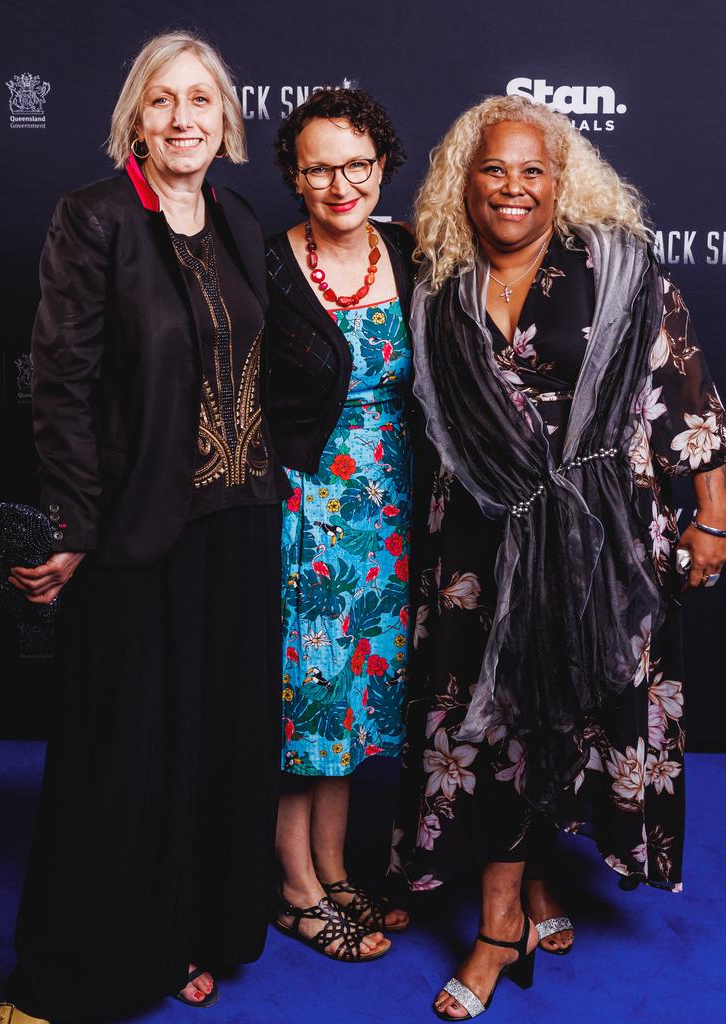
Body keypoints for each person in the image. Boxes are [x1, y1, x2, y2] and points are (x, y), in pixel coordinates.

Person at [388, 95, 726, 1020]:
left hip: (600, 542)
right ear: (467, 177)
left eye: (532, 170)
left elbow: (683, 392)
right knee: (489, 724)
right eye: (494, 169)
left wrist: (714, 519)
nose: (513, 187)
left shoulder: (615, 268)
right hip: (480, 547)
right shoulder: (439, 284)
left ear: (559, 179)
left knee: (573, 714)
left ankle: (508, 912)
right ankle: (513, 905)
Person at [0, 31, 290, 1024]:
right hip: (137, 527)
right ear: (135, 116)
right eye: (162, 101)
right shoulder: (93, 219)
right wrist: (73, 522)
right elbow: (61, 387)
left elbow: (275, 361)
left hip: (238, 523)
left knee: (215, 744)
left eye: (200, 100)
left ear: (225, 119)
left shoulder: (244, 221)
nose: (182, 119)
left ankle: (186, 937)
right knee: (121, 756)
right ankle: (65, 976)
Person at [265, 87, 415, 961]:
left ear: (383, 165)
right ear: (294, 174)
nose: (339, 183)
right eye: (318, 167)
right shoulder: (268, 263)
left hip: (390, 514)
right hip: (306, 512)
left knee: (355, 703)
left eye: (355, 164)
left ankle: (336, 869)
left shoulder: (407, 251)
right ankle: (294, 886)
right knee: (310, 706)